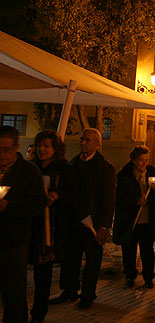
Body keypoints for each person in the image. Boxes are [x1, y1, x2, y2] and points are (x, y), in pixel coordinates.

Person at [51, 128, 116, 310]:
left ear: (97, 144)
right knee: (70, 258)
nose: (83, 143)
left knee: (92, 262)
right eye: (82, 140)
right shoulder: (74, 162)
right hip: (74, 221)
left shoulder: (105, 168)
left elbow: (108, 199)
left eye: (88, 140)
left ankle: (88, 294)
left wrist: (104, 226)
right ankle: (69, 290)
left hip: (93, 223)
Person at [30, 130, 78, 323]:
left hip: (52, 229)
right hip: (31, 226)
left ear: (55, 149)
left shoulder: (64, 170)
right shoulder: (31, 168)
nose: (42, 149)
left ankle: (38, 314)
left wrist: (57, 197)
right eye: (39, 145)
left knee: (43, 275)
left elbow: (73, 197)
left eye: (46, 146)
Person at [0, 126, 47, 323]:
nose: (1, 154)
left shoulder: (28, 172)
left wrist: (8, 206)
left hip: (15, 242)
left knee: (14, 294)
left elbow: (37, 203)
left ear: (17, 147)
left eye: (6, 149)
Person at [113, 145, 155, 288]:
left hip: (147, 221)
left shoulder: (152, 174)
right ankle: (130, 275)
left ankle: (148, 277)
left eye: (147, 160)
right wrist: (136, 202)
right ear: (134, 160)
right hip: (130, 220)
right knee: (129, 251)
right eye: (142, 160)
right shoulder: (124, 175)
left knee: (147, 251)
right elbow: (119, 198)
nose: (145, 163)